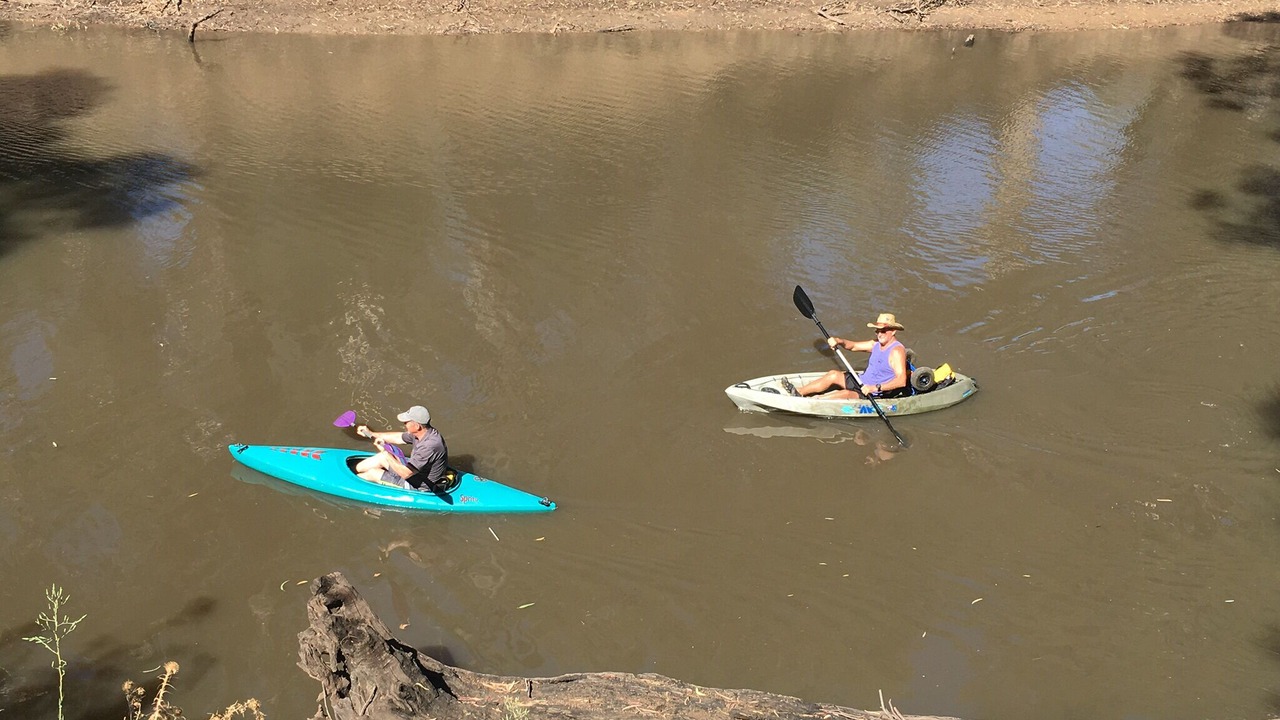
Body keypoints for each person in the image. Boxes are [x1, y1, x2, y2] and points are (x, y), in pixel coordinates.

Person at [790, 313, 908, 399]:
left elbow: (901, 381)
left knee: (844, 394)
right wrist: (839, 341)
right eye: (877, 331)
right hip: (860, 381)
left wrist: (875, 388)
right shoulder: (875, 344)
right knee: (833, 374)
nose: (879, 334)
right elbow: (853, 346)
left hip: (872, 393)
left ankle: (814, 401)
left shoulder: (896, 351)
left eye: (883, 331)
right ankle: (799, 392)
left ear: (893, 331)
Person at [354, 405, 448, 490]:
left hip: (416, 485)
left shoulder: (429, 446)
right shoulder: (422, 432)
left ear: (417, 426)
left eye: (406, 422)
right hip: (413, 471)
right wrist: (371, 434)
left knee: (373, 473)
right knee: (380, 458)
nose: (404, 424)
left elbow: (407, 473)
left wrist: (386, 453)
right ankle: (355, 472)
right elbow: (398, 437)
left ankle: (352, 483)